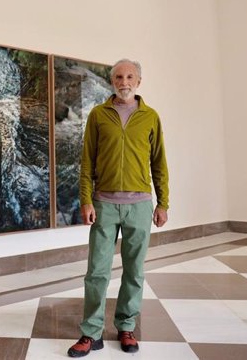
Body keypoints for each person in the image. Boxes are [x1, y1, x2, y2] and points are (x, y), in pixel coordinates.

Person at [67, 59, 169, 357]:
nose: (123, 82)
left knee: (134, 271)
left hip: (139, 205)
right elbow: (87, 162)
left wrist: (163, 203)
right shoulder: (99, 115)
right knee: (97, 271)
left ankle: (126, 327)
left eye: (129, 77)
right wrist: (86, 199)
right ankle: (91, 332)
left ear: (138, 81)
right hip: (105, 204)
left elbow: (159, 163)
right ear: (112, 81)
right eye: (118, 77)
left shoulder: (150, 117)